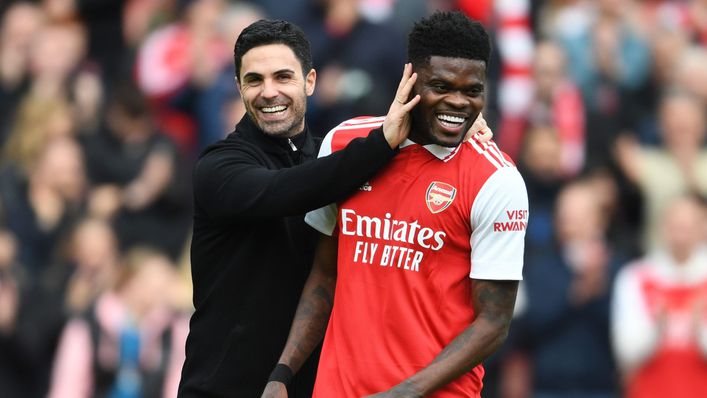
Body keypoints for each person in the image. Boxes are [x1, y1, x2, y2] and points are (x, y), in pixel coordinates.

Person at [262, 11, 527, 397]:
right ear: (410, 78)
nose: (458, 102)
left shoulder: (496, 180)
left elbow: (494, 323)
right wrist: (282, 373)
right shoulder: (343, 144)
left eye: (472, 90)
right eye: (441, 86)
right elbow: (324, 276)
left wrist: (403, 392)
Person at [178, 18, 424, 397]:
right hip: (224, 388)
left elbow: (403, 177)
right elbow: (289, 190)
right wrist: (380, 143)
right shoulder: (219, 166)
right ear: (238, 88)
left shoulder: (332, 159)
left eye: (283, 77)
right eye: (255, 80)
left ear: (309, 81)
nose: (269, 92)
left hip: (313, 387)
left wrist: (460, 139)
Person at [611, 194, 707, 398]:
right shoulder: (635, 277)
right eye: (675, 225)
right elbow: (626, 353)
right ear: (663, 226)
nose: (681, 235)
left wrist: (700, 329)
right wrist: (656, 327)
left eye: (689, 226)